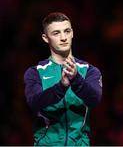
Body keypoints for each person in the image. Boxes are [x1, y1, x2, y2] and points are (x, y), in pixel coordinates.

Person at [24, 12, 102, 146]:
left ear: (72, 33)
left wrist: (76, 79)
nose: (63, 37)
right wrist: (61, 86)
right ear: (45, 38)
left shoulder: (89, 70)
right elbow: (34, 102)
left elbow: (95, 99)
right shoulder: (35, 72)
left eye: (66, 31)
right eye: (56, 33)